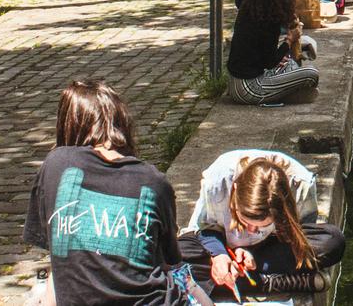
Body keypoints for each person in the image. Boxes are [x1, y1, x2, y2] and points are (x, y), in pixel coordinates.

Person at [23, 80, 212, 306]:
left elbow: (60, 259)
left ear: (67, 124)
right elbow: (168, 262)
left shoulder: (56, 165)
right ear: (123, 123)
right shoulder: (153, 182)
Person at [177, 150, 343, 296]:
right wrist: (219, 255)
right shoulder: (217, 180)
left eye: (262, 225)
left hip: (266, 250)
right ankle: (268, 282)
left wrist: (251, 252)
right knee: (173, 257)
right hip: (222, 244)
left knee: (331, 241)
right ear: (235, 190)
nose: (252, 231)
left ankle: (241, 281)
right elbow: (206, 227)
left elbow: (297, 238)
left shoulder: (301, 185)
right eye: (245, 221)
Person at [226, 0, 319, 105]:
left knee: (289, 63)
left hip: (235, 81)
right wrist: (289, 40)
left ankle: (287, 93)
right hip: (250, 87)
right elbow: (269, 62)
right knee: (312, 74)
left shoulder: (248, 11)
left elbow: (262, 56)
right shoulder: (268, 20)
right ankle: (286, 95)